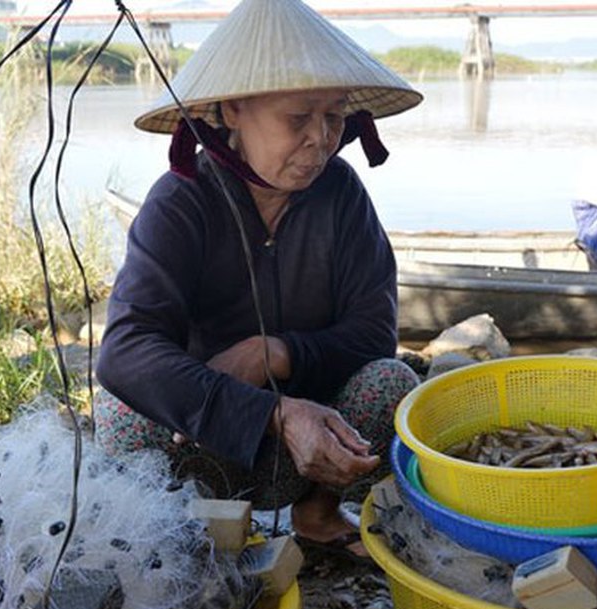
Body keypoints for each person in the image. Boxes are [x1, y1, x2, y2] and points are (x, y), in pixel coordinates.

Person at [95, 0, 423, 561]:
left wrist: (276, 353)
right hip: (205, 439)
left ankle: (317, 515)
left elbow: (373, 332)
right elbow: (124, 352)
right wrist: (272, 411)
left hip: (310, 450)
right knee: (120, 416)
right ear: (233, 111)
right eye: (299, 118)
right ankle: (194, 534)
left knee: (391, 380)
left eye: (335, 116)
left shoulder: (340, 195)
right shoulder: (181, 201)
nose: (321, 139)